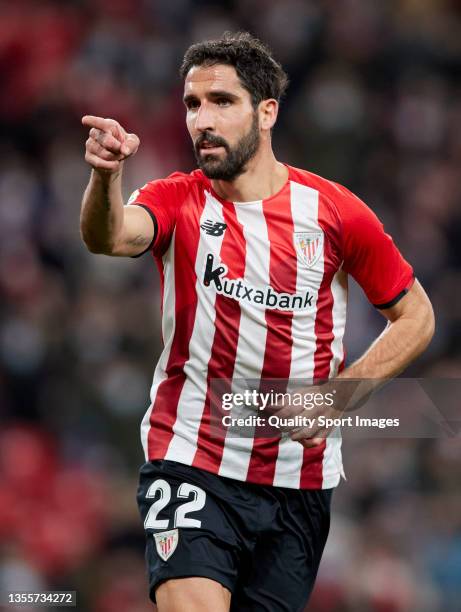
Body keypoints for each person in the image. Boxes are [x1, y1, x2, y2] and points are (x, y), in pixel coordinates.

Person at [80, 32, 434, 612]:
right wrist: (106, 177)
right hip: (191, 457)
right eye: (193, 104)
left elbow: (416, 316)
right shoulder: (176, 199)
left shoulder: (335, 212)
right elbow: (110, 236)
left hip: (299, 482)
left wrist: (342, 396)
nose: (202, 120)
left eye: (222, 101)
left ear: (266, 111)